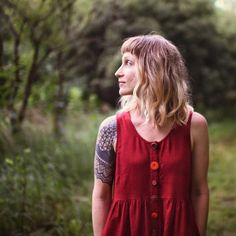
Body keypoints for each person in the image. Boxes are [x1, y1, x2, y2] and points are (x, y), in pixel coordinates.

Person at [92, 34, 209, 236]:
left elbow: (199, 191)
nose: (118, 72)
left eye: (128, 63)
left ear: (153, 69)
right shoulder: (111, 128)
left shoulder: (195, 125)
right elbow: (101, 196)